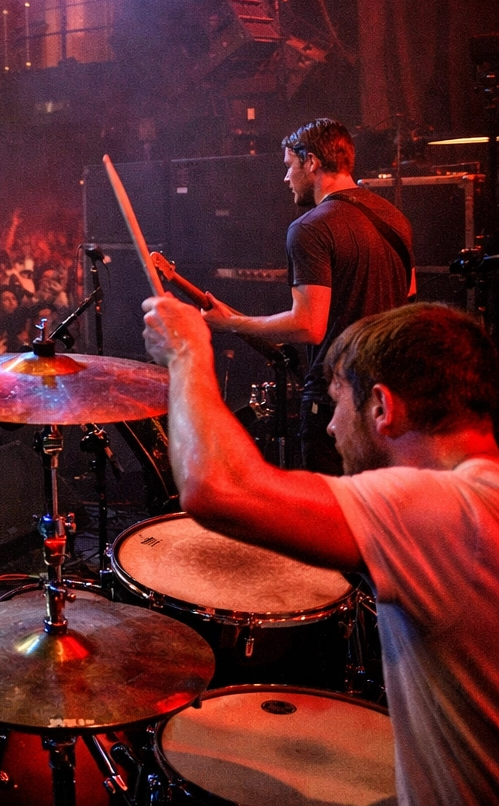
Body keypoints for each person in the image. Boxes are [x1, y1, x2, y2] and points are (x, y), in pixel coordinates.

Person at [144, 296, 499, 803]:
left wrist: (186, 354)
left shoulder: (450, 510)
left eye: (337, 404)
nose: (331, 427)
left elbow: (218, 488)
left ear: (382, 407)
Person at [201, 118, 413, 473]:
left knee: (331, 504)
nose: (286, 178)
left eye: (289, 166)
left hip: (337, 400)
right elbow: (409, 302)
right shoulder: (396, 219)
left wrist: (232, 322)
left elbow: (308, 326)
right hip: (389, 400)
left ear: (311, 161)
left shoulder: (310, 228)